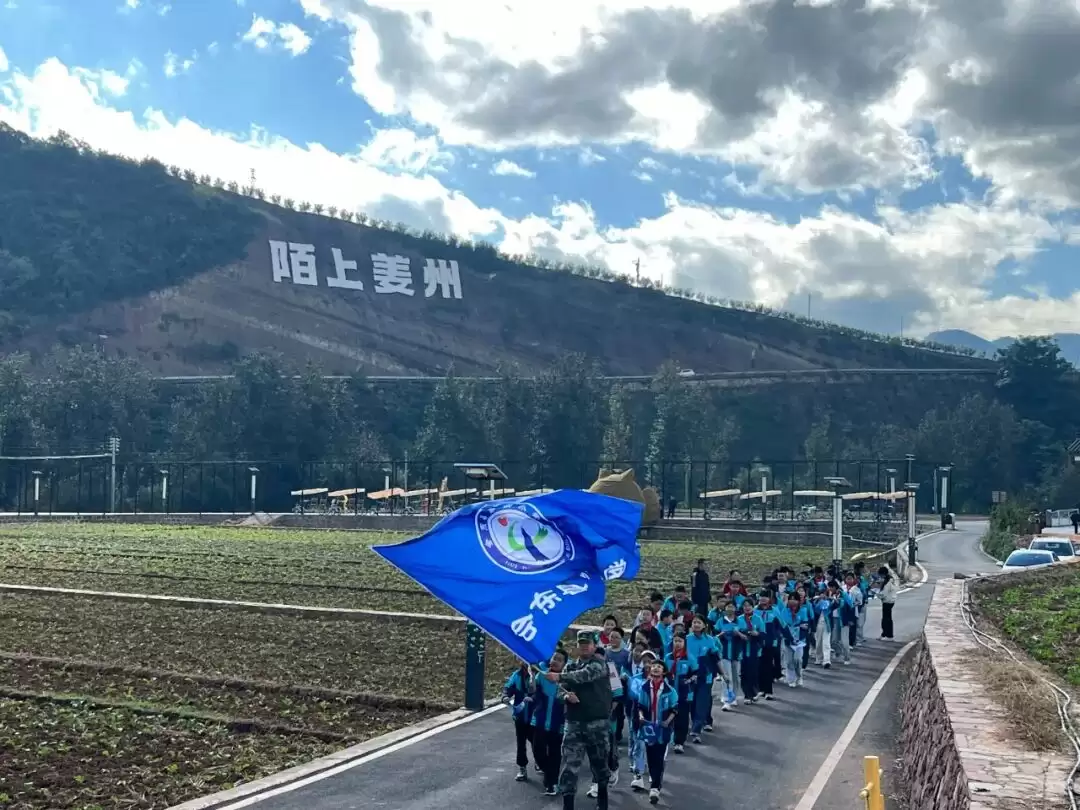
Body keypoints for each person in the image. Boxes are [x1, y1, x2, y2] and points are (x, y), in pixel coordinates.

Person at [547, 630, 613, 810]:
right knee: (569, 766)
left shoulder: (599, 664)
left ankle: (603, 800)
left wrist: (559, 676)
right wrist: (566, 696)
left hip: (597, 724)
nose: (584, 646)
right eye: (581, 643)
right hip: (574, 723)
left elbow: (586, 675)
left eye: (588, 643)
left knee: (600, 765)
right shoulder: (570, 667)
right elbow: (560, 691)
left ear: (594, 645)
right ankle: (568, 805)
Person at [632, 659, 678, 805]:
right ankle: (654, 781)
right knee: (651, 756)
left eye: (659, 667)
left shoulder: (670, 690)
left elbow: (674, 709)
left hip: (663, 728)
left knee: (659, 756)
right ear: (650, 671)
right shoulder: (645, 688)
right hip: (648, 727)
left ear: (663, 672)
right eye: (654, 666)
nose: (656, 668)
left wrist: (667, 721)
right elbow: (640, 705)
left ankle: (655, 787)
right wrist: (640, 717)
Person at [531, 649, 568, 795]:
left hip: (557, 723)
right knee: (537, 751)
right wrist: (532, 675)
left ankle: (552, 782)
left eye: (559, 660)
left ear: (564, 664)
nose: (555, 661)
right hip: (539, 721)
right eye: (554, 658)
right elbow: (532, 690)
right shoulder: (541, 675)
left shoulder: (566, 680)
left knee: (554, 753)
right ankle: (550, 773)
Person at [685, 615, 718, 743]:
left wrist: (724, 674)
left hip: (706, 675)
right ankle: (694, 723)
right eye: (694, 622)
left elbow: (716, 659)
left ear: (704, 625)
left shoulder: (710, 640)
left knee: (702, 701)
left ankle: (697, 729)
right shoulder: (685, 640)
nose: (696, 625)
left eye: (699, 622)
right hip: (690, 675)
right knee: (692, 701)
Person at [664, 633, 697, 753]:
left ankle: (679, 742)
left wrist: (689, 681)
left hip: (684, 693)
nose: (677, 643)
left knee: (682, 717)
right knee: (668, 715)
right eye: (675, 641)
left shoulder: (689, 658)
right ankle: (667, 737)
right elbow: (663, 672)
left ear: (684, 643)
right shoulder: (668, 658)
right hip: (669, 692)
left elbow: (696, 673)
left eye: (680, 641)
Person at [502, 661, 534, 781]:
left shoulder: (539, 674)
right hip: (520, 715)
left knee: (537, 742)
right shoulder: (516, 675)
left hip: (535, 717)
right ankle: (522, 768)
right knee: (521, 743)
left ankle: (540, 762)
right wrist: (505, 696)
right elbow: (508, 688)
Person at [737, 598, 766, 704]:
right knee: (744, 673)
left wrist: (757, 634)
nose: (747, 608)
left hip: (755, 649)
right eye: (745, 606)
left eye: (749, 605)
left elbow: (763, 633)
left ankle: (754, 692)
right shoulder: (739, 619)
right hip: (743, 649)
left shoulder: (758, 619)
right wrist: (741, 634)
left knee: (753, 672)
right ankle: (747, 695)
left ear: (753, 607)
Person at [877, 566, 899, 640]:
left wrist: (877, 594)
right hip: (890, 601)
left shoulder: (888, 582)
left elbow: (884, 594)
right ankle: (885, 634)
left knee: (886, 619)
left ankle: (888, 635)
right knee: (887, 618)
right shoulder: (889, 580)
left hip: (887, 601)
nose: (880, 577)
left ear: (883, 574)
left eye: (880, 575)